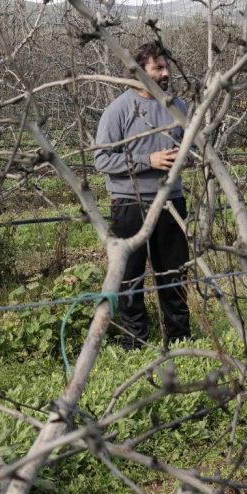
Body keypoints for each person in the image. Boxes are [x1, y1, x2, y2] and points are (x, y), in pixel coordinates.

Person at [94, 41, 191, 350]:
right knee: (130, 276)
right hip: (130, 204)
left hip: (170, 202)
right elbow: (102, 160)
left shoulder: (178, 106)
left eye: (166, 67)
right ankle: (134, 341)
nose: (165, 74)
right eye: (157, 68)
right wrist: (147, 161)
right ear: (139, 73)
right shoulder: (119, 110)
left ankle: (178, 337)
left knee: (174, 272)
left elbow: (194, 147)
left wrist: (186, 157)